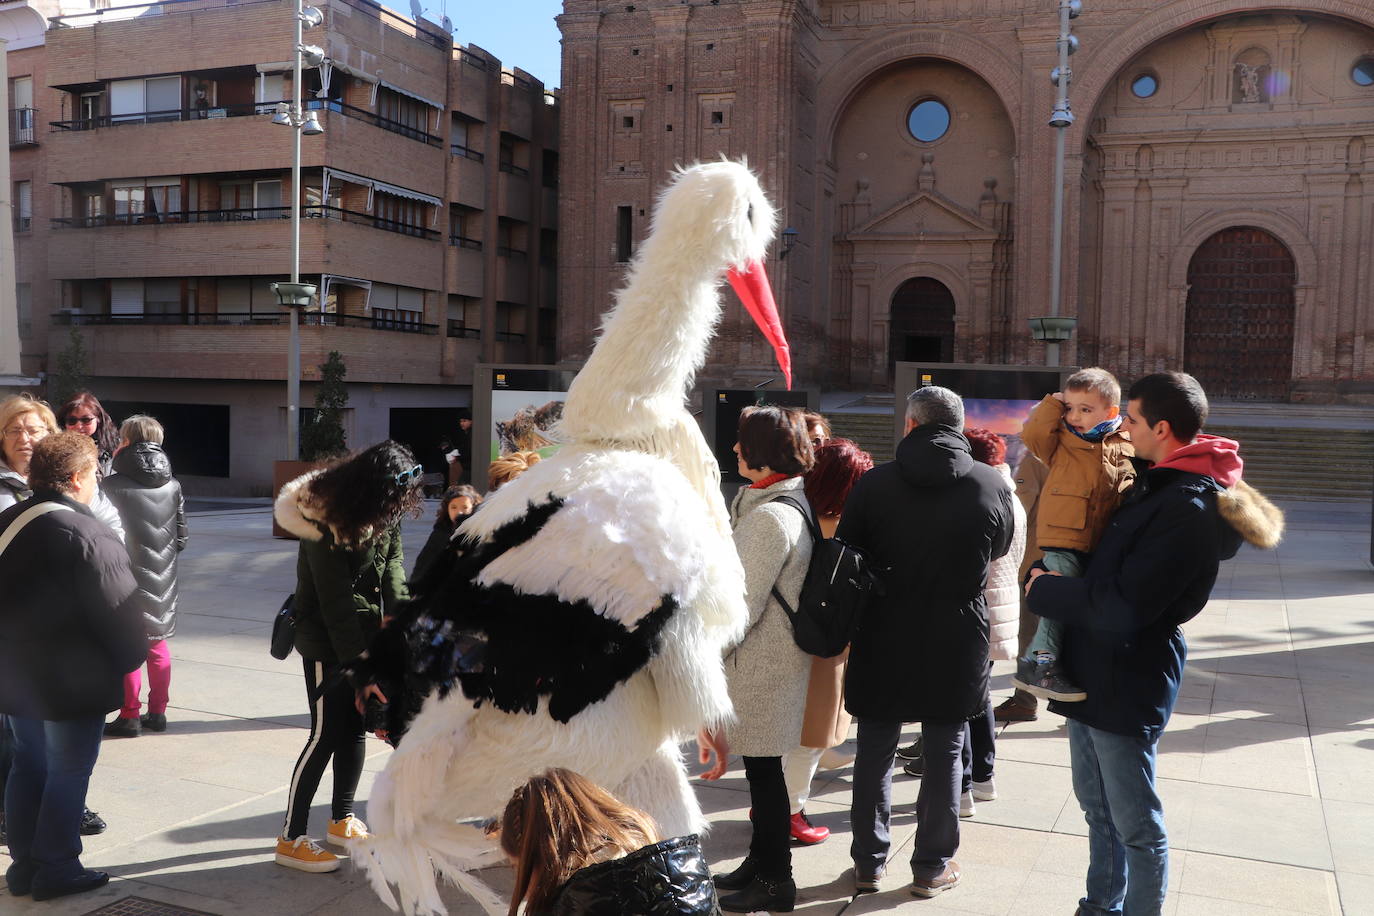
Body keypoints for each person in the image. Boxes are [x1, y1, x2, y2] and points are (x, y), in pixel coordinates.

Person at [1027, 371, 1283, 916]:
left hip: (1130, 673)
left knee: (1135, 823)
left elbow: (1126, 607)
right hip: (1093, 664)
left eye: (1134, 420)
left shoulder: (1186, 505)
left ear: (1162, 428)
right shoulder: (1157, 481)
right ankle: (1100, 904)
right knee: (1097, 807)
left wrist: (1048, 592)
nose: (1125, 428)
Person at [838, 386, 1013, 898]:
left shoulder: (874, 484)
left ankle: (869, 863)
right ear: (957, 428)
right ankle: (932, 865)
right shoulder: (989, 482)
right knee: (945, 748)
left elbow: (848, 549)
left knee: (875, 746)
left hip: (884, 627)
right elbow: (1000, 547)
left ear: (911, 425)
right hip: (957, 631)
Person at [0, 432, 146, 901]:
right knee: (66, 771)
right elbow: (121, 614)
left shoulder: (8, 518)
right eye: (95, 474)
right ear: (79, 477)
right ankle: (57, 865)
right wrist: (129, 662)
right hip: (70, 682)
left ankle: (24, 867)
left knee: (28, 764)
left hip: (16, 675)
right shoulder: (87, 532)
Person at [271, 440, 420, 873]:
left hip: (367, 634)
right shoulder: (322, 514)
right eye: (391, 496)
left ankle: (341, 819)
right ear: (368, 486)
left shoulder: (381, 509)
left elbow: (393, 564)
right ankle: (291, 837)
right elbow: (334, 601)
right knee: (325, 733)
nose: (396, 506)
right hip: (326, 641)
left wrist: (400, 618)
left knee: (354, 731)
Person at [699, 405, 815, 913]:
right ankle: (759, 863)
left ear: (761, 454)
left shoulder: (770, 517)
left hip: (766, 663)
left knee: (767, 778)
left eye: (741, 441)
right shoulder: (767, 502)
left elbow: (737, 607)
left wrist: (704, 660)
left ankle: (776, 882)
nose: (733, 449)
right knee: (762, 774)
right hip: (766, 659)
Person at [899, 427, 1026, 814]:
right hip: (998, 607)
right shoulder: (1009, 495)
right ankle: (983, 777)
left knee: (961, 700)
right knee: (977, 695)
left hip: (977, 608)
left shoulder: (984, 497)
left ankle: (966, 786)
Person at [0, 397, 108, 842]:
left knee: (43, 754)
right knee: (31, 751)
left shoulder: (86, 488)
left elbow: (110, 535)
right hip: (26, 643)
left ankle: (33, 850)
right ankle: (48, 854)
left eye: (35, 431)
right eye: (15, 430)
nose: (26, 439)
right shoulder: (7, 492)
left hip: (55, 643)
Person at [1013, 368, 1135, 703]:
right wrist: (1054, 402)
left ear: (1110, 412)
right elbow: (1033, 433)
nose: (1075, 416)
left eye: (1086, 409)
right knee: (1055, 611)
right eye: (1071, 408)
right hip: (1062, 539)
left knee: (1073, 612)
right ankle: (1037, 667)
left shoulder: (1122, 443)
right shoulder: (1061, 444)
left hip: (1096, 542)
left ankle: (1048, 665)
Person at [780, 437, 872, 846]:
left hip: (786, 636)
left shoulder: (795, 514)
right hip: (827, 641)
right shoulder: (849, 525)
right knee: (811, 737)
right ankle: (790, 811)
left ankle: (776, 803)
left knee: (786, 734)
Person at [498, 768, 719, 916]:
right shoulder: (673, 869)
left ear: (545, 857)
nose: (519, 882)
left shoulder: (584, 902)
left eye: (516, 866)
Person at [101, 416, 189, 738]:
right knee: (157, 645)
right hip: (163, 578)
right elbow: (181, 538)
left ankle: (129, 716)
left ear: (125, 440)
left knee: (128, 647)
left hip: (123, 577)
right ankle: (159, 712)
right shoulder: (174, 485)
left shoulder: (110, 485)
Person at [994, 453, 1049, 724]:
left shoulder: (1036, 459)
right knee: (1044, 631)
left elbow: (1017, 510)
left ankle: (1026, 700)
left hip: (1032, 560)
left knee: (1028, 632)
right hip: (1058, 559)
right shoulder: (1074, 455)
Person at [411, 484, 482, 581]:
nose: (459, 512)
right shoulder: (441, 533)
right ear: (447, 509)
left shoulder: (481, 533)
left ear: (473, 508)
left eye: (464, 507)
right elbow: (423, 564)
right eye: (453, 507)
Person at [55, 391, 119, 479]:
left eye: (86, 420)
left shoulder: (115, 447)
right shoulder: (56, 450)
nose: (79, 426)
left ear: (98, 418)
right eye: (72, 420)